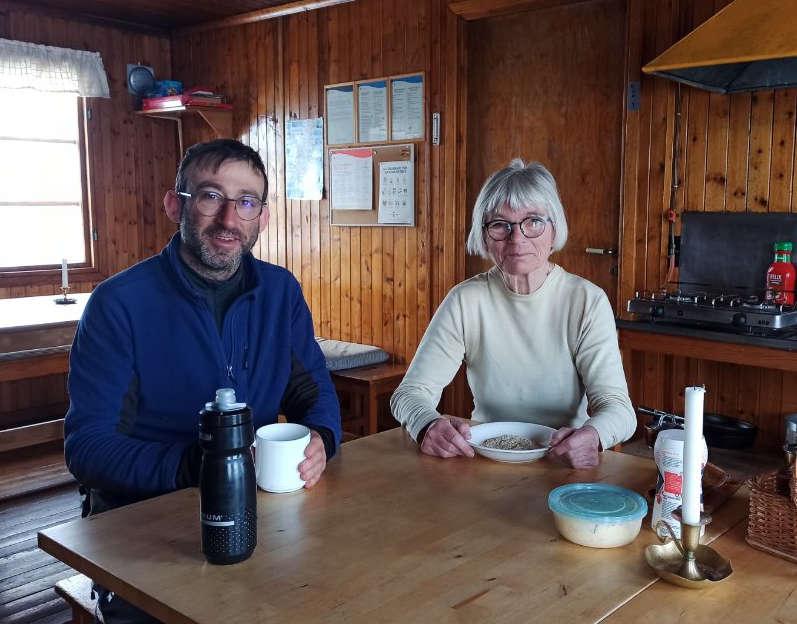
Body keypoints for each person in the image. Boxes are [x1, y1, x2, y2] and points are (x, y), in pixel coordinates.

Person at [64, 139, 341, 622]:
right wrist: (202, 466)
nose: (229, 220)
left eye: (247, 202)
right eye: (211, 197)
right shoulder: (119, 304)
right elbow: (87, 448)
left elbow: (312, 391)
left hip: (262, 508)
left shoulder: (281, 291)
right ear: (176, 205)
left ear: (263, 217)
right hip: (142, 525)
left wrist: (321, 439)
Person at [390, 158, 635, 469]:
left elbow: (619, 410)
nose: (517, 238)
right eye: (500, 224)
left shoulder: (586, 301)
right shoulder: (466, 300)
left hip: (562, 462)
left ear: (554, 228)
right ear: (485, 235)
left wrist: (593, 435)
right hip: (483, 460)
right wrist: (426, 424)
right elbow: (409, 394)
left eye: (533, 221)